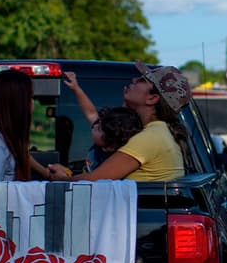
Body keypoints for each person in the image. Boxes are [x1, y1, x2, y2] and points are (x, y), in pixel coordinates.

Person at [47, 63, 190, 182]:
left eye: (142, 80)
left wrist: (63, 179)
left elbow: (94, 181)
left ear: (152, 99)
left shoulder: (149, 138)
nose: (134, 80)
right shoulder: (155, 132)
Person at [62, 71, 144, 172]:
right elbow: (90, 112)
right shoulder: (107, 134)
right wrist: (76, 88)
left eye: (100, 128)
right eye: (98, 123)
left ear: (111, 143)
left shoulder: (113, 162)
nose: (95, 125)